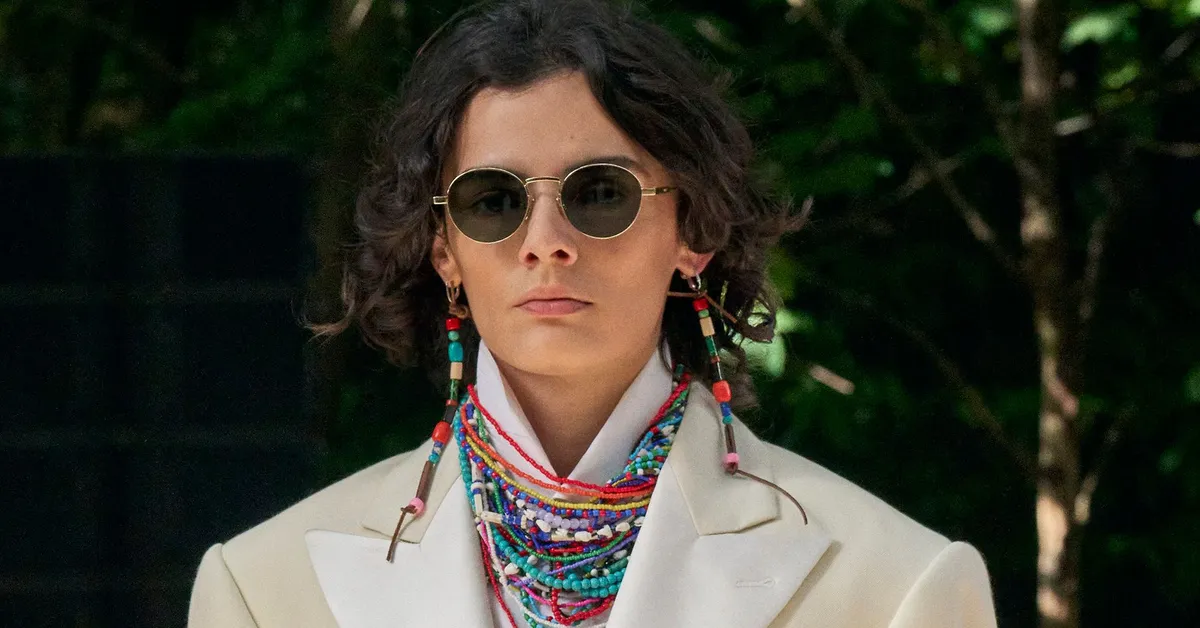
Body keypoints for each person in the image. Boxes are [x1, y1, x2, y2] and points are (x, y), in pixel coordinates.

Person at [187, 0, 999, 626]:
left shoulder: (894, 587)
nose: (546, 243)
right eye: (493, 200)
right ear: (444, 251)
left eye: (601, 193)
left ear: (695, 232)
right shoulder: (265, 591)